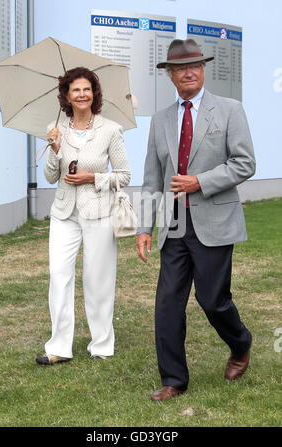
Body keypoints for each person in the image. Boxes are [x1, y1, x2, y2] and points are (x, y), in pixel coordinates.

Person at [136, 39, 256, 401]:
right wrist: (144, 227)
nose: (188, 72)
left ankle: (240, 342)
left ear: (203, 70)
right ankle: (173, 379)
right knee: (167, 303)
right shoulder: (159, 120)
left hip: (215, 222)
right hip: (174, 224)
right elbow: (153, 178)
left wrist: (199, 182)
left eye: (195, 66)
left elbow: (245, 163)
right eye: (180, 68)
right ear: (170, 75)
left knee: (212, 300)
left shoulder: (230, 110)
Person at [36, 67, 131, 365]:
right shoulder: (57, 129)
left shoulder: (111, 130)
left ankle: (102, 344)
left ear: (94, 94)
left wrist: (93, 177)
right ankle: (59, 347)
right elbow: (51, 176)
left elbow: (125, 175)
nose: (81, 94)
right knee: (59, 276)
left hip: (99, 211)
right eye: (75, 90)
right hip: (64, 212)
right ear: (66, 96)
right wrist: (54, 148)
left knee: (98, 279)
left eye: (86, 89)